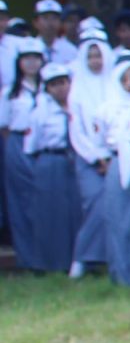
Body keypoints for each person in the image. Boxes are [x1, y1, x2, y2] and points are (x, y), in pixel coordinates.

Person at [14, 59, 79, 273]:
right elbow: (30, 146)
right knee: (50, 214)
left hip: (74, 160)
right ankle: (49, 262)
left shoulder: (77, 106)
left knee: (74, 211)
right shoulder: (40, 111)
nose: (60, 88)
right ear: (47, 88)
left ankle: (75, 260)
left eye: (63, 82)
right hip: (50, 160)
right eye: (54, 84)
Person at [96, 51, 130, 287]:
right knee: (119, 220)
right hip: (118, 164)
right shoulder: (106, 108)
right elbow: (98, 139)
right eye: (125, 79)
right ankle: (122, 274)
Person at [64, 32, 115, 278]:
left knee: (115, 205)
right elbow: (77, 132)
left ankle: (107, 258)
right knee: (97, 201)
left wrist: (110, 155)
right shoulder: (77, 90)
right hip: (88, 160)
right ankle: (82, 256)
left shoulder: (114, 83)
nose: (96, 61)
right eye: (91, 57)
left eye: (99, 56)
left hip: (115, 156)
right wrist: (97, 157)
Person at [3, 46, 47, 262]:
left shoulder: (48, 88)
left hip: (44, 145)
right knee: (20, 200)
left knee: (44, 198)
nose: (31, 63)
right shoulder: (10, 92)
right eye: (26, 59)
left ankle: (46, 254)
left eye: (35, 58)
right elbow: (4, 126)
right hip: (17, 143)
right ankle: (27, 256)